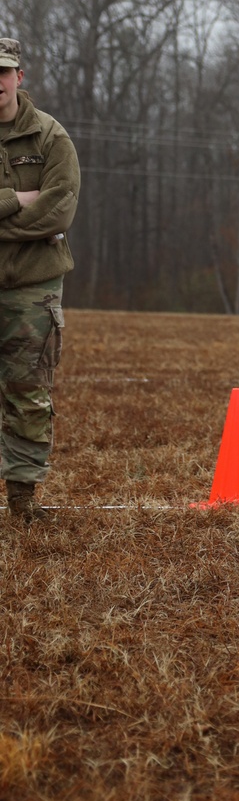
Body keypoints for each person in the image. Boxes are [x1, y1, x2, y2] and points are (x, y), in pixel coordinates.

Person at [0, 38, 80, 524]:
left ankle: (23, 502)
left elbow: (59, 209)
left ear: (19, 77)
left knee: (27, 394)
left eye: (3, 72)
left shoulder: (51, 138)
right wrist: (19, 200)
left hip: (34, 286)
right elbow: (37, 208)